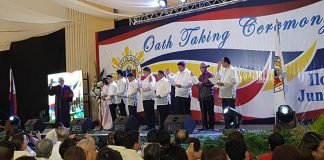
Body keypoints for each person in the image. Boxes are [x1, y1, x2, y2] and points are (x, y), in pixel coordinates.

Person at [216, 57, 238, 129]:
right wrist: (218, 69)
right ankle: (227, 125)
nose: (221, 64)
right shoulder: (224, 70)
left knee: (231, 110)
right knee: (225, 110)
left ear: (226, 62)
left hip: (229, 93)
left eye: (222, 62)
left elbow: (233, 82)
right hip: (223, 93)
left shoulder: (232, 70)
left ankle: (233, 125)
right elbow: (219, 78)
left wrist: (223, 84)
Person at [197, 63, 215, 130]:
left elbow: (213, 83)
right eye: (200, 68)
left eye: (202, 67)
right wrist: (197, 83)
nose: (201, 69)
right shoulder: (200, 76)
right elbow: (199, 84)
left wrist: (203, 84)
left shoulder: (210, 74)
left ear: (205, 67)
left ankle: (211, 126)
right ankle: (204, 126)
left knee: (210, 112)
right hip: (201, 96)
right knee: (203, 112)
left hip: (208, 96)